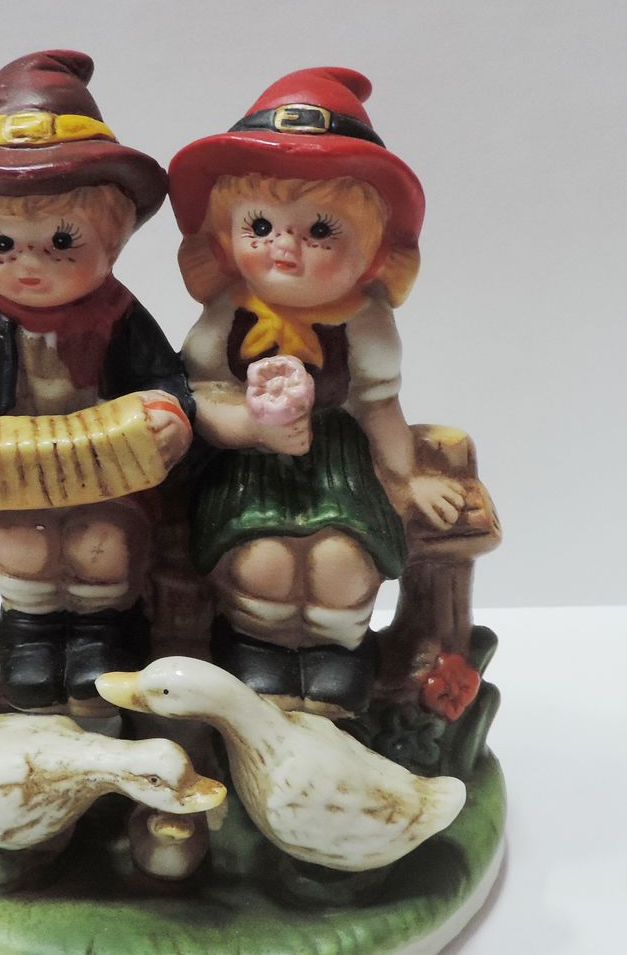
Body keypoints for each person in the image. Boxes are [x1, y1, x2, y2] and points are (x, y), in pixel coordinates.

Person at [0, 50, 193, 716]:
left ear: (111, 238)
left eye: (61, 241)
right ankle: (31, 633)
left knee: (101, 546)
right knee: (23, 544)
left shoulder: (119, 315)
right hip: (12, 474)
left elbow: (164, 376)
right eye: (3, 245)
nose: (29, 264)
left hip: (108, 474)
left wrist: (168, 413)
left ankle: (100, 632)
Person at [168, 65, 465, 716]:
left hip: (338, 462)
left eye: (320, 231)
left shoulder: (364, 324)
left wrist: (406, 481)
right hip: (250, 465)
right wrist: (250, 425)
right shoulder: (226, 317)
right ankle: (258, 650)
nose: (284, 248)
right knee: (261, 562)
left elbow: (379, 407)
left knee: (341, 563)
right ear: (224, 236)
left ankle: (336, 654)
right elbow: (200, 398)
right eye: (260, 227)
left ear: (373, 250)